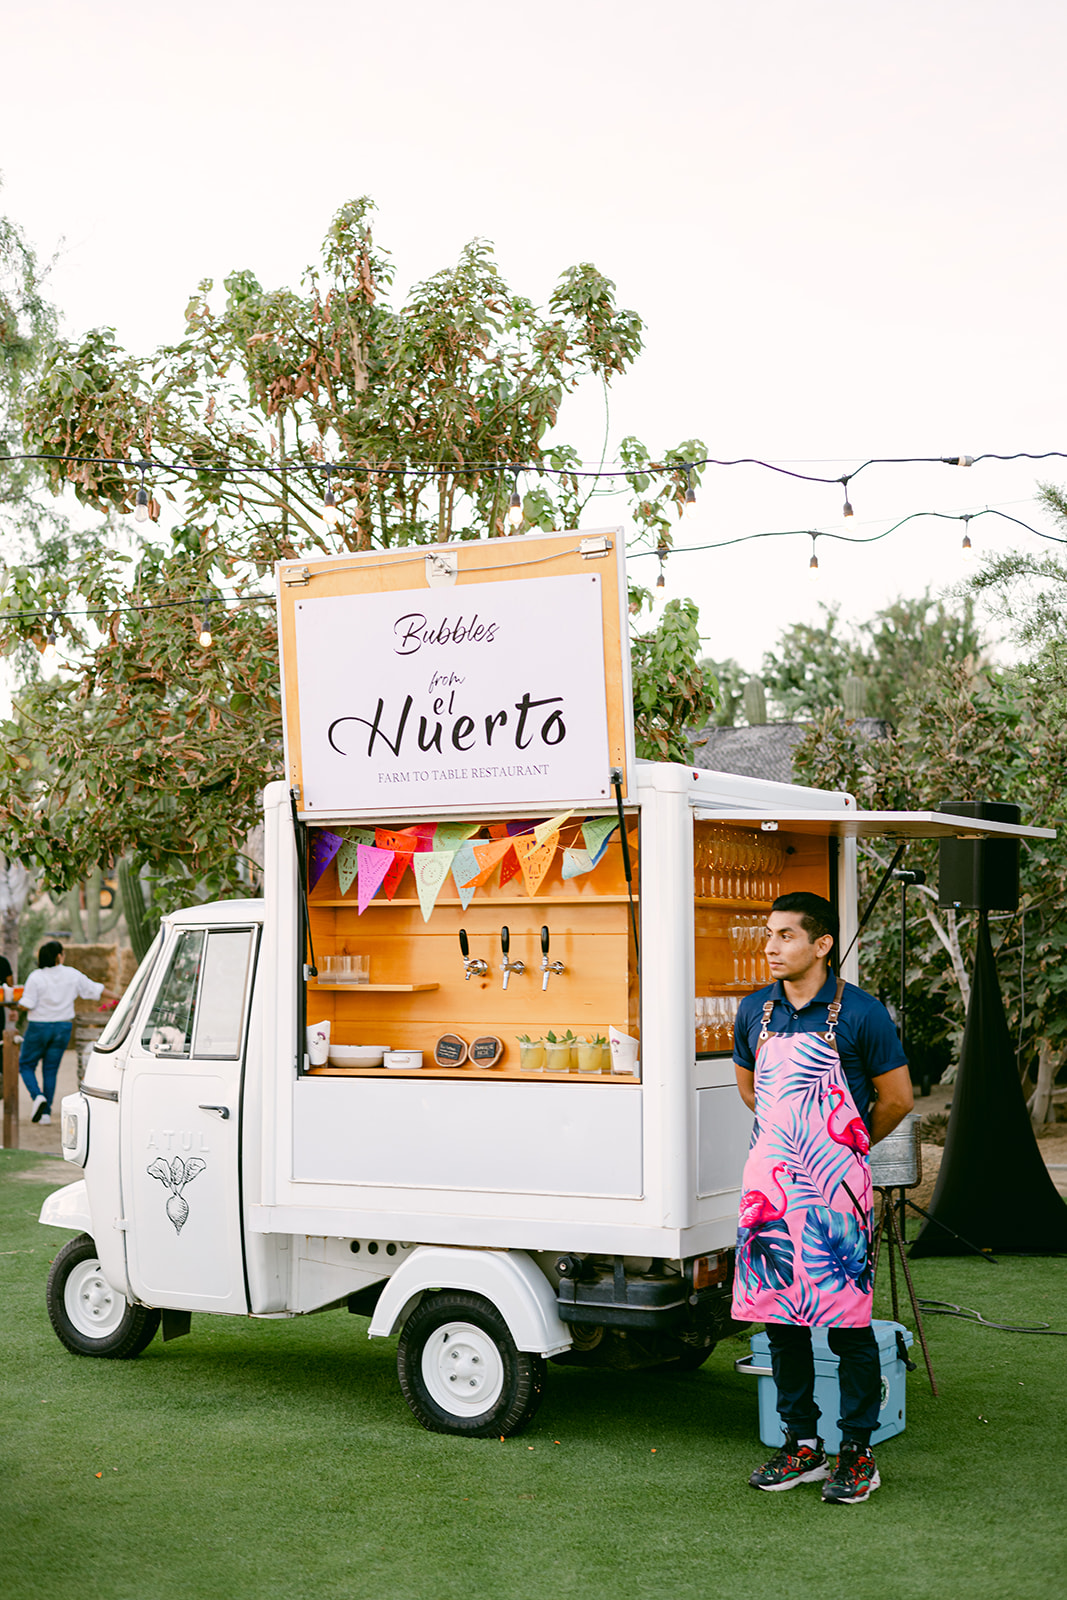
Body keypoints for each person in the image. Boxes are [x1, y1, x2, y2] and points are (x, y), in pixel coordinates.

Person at [732, 891, 914, 1505]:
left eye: (785, 935)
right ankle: (801, 1445)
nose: (770, 946)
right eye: (769, 934)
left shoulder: (863, 1013)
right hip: (770, 1192)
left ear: (822, 945)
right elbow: (751, 1090)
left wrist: (848, 1147)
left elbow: (897, 1100)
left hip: (838, 1189)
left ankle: (857, 1452)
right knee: (781, 1324)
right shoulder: (754, 1012)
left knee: (847, 1327)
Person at [18, 941, 115, 1125]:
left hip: (39, 1027)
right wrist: (120, 997)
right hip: (63, 1027)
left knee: (25, 1065)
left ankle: (37, 1096)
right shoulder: (72, 974)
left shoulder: (35, 977)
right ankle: (46, 1115)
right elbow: (96, 989)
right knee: (50, 1070)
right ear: (59, 956)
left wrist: (16, 1003)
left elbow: (27, 1004)